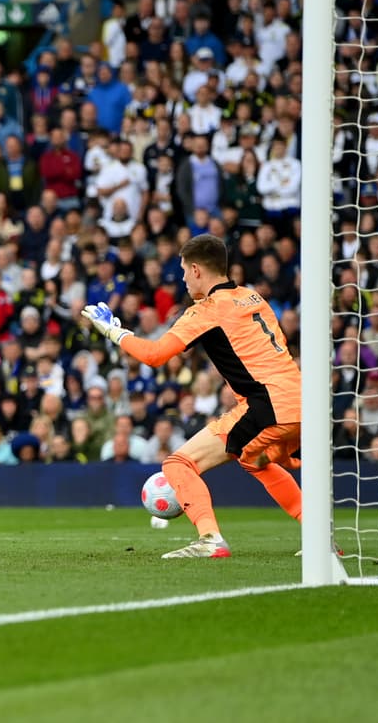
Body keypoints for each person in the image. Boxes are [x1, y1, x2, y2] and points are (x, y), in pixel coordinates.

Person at [82, 234, 303, 559]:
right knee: (254, 460)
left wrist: (115, 331)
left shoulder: (207, 310)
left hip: (266, 403)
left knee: (178, 462)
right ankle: (318, 536)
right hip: (300, 398)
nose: (183, 279)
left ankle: (210, 538)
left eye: (185, 271)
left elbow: (155, 355)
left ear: (197, 270)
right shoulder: (254, 298)